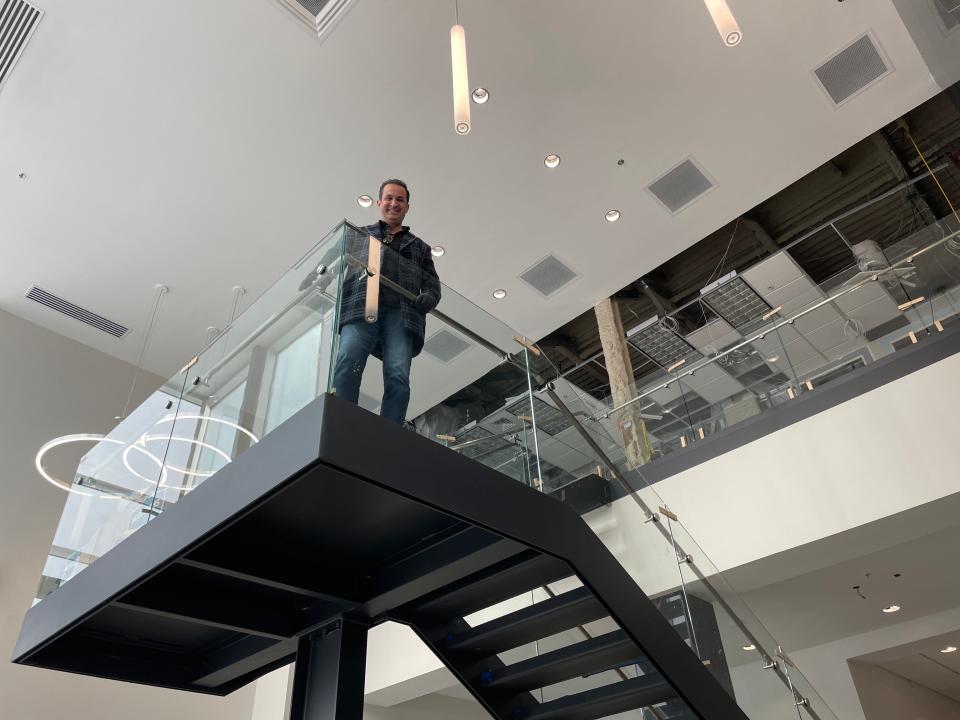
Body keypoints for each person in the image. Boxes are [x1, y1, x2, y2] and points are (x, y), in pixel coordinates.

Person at [328, 179, 441, 424]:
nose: (394, 203)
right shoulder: (359, 234)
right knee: (348, 358)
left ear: (407, 206)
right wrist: (317, 273)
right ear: (379, 202)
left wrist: (430, 297)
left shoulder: (420, 247)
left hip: (402, 314)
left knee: (398, 377)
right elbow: (331, 257)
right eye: (389, 198)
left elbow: (432, 283)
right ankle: (342, 420)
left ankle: (389, 433)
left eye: (399, 199)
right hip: (362, 305)